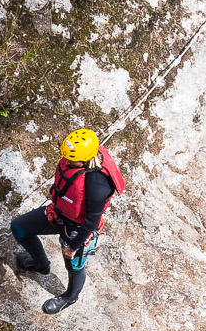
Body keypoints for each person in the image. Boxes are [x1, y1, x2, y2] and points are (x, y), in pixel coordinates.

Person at [10, 127, 123, 315]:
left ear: (85, 158)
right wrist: (55, 191)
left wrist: (73, 247)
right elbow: (67, 180)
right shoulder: (72, 161)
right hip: (58, 213)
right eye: (67, 157)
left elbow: (91, 223)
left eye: (72, 159)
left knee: (74, 265)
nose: (67, 161)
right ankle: (40, 265)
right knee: (19, 227)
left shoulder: (97, 185)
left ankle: (70, 297)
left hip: (77, 228)